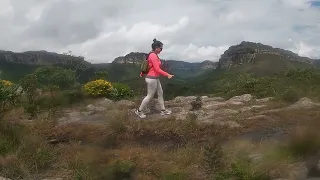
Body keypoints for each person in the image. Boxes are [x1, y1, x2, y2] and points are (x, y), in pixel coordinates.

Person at [135, 39, 174, 118]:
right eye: (161, 48)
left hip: (155, 78)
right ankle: (139, 111)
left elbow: (148, 65)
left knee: (160, 93)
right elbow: (157, 69)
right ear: (156, 48)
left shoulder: (153, 54)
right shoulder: (153, 55)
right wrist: (167, 74)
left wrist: (142, 73)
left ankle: (163, 110)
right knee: (150, 96)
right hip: (152, 79)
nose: (161, 50)